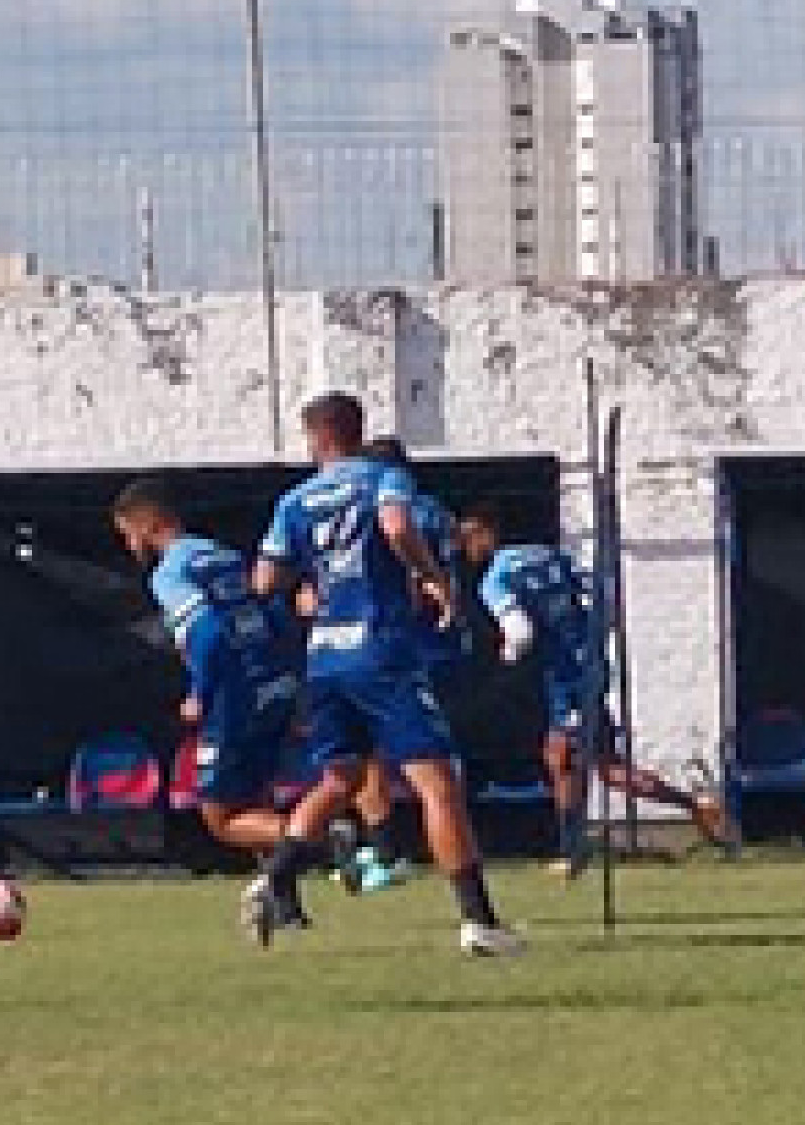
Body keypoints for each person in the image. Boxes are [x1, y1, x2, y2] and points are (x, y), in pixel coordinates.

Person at [249, 393, 523, 959]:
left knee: (343, 778)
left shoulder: (295, 500)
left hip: (325, 656)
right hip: (382, 651)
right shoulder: (383, 478)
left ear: (317, 438)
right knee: (436, 784)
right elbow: (397, 528)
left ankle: (276, 876)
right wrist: (432, 578)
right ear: (356, 430)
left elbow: (265, 579)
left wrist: (310, 589)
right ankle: (479, 922)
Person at [457, 507, 730, 872]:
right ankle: (688, 808)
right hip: (588, 663)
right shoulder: (551, 555)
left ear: (485, 534)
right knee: (593, 765)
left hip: (566, 674)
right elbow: (601, 596)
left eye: (467, 540)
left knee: (563, 757)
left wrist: (507, 656)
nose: (465, 551)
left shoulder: (495, 579)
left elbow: (520, 633)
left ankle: (574, 847)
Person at [110, 482, 311, 910]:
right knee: (256, 799)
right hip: (270, 684)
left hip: (232, 692)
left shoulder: (171, 572)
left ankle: (320, 836)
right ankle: (286, 904)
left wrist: (200, 692)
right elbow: (275, 614)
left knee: (222, 818)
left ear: (150, 524)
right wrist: (290, 683)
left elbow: (207, 633)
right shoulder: (223, 555)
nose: (129, 545)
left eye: (129, 533)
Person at [344, 435, 472, 896]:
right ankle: (439, 847)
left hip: (402, 648)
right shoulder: (439, 512)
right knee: (433, 763)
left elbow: (398, 569)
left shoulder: (389, 510)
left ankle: (386, 853)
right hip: (446, 647)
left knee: (371, 755)